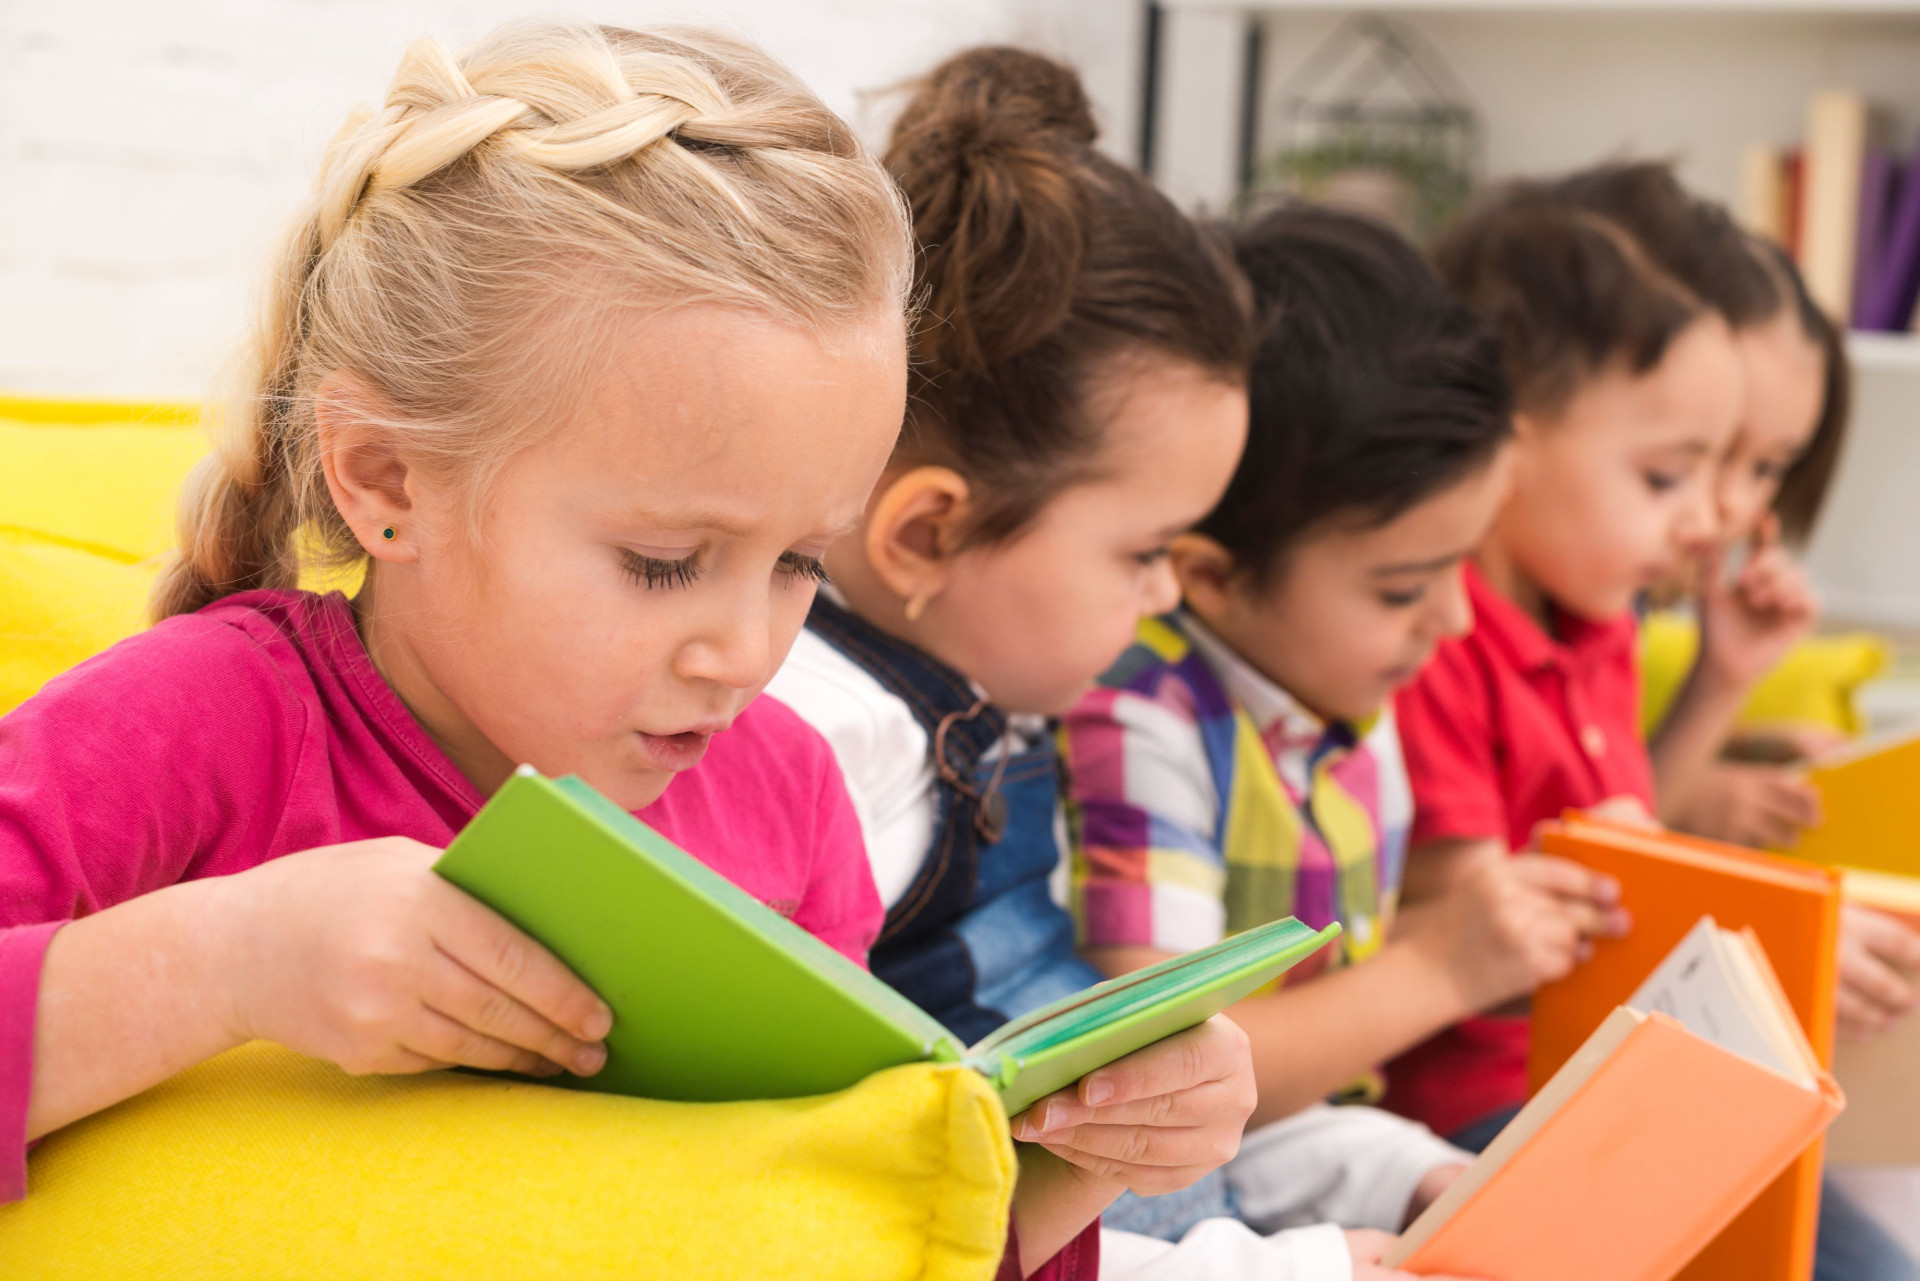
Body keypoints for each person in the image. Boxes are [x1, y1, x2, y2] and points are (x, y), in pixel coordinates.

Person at [0, 23, 1259, 1277]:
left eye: (798, 565)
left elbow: (828, 1245)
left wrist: (1084, 1158)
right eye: (664, 562)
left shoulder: (792, 801)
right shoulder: (201, 725)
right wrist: (226, 966)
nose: (744, 652)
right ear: (387, 478)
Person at [768, 49, 1476, 1281]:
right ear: (929, 533)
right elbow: (859, 1225)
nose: (1164, 599)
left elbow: (1109, 1106)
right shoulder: (831, 762)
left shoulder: (984, 712)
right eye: (1144, 552)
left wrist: (1383, 1167)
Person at [1061, 205, 1620, 1245]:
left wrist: (1422, 1177)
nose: (1454, 621)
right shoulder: (1136, 722)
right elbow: (1162, 1083)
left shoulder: (1347, 690)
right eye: (1406, 586)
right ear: (1211, 575)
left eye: (1465, 561)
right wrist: (1438, 968)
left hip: (1309, 1166)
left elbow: (1296, 1107)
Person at [1547, 161, 1920, 1281]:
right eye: (1691, 462)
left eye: (1762, 467)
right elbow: (1594, 862)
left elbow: (1620, 811)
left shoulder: (1610, 614)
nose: (1731, 508)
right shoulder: (1562, 609)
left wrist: (1724, 695)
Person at [1390, 186, 1746, 1149]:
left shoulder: (1601, 630)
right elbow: (1489, 940)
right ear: (1510, 443)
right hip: (1489, 1103)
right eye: (1666, 477)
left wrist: (1723, 685)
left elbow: (1632, 830)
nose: (1709, 520)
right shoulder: (1434, 640)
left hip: (1622, 1065)